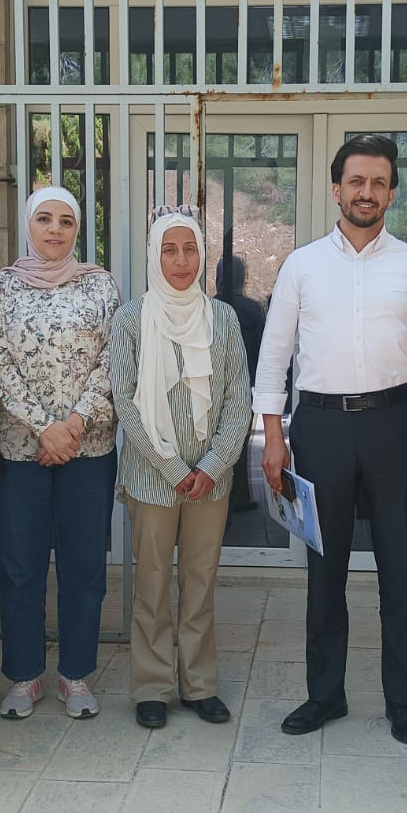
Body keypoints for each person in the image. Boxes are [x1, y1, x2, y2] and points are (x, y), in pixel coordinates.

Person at [254, 134, 407, 747]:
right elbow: (274, 356)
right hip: (321, 428)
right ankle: (325, 694)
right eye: (356, 181)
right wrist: (274, 437)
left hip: (398, 424)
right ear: (336, 188)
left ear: (391, 193)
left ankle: (401, 700)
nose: (367, 192)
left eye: (379, 182)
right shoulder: (302, 265)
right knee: (324, 570)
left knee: (400, 569)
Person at [0, 186, 121, 720]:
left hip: (88, 447)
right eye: (44, 218)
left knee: (84, 565)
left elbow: (112, 360)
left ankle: (75, 674)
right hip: (20, 451)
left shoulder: (100, 285)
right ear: (28, 225)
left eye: (66, 220)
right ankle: (24, 676)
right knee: (21, 566)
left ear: (78, 228)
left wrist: (74, 425)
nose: (55, 229)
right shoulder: (1, 287)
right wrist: (45, 429)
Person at [110, 208, 252, 729]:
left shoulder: (223, 318)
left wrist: (212, 465)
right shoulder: (131, 319)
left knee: (200, 582)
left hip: (210, 482)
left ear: (202, 255)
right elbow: (126, 401)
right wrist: (174, 470)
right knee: (150, 585)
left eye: (190, 249)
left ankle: (199, 685)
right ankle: (152, 687)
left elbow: (238, 399)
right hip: (152, 479)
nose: (181, 260)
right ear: (154, 255)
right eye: (169, 250)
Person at [216, 252, 266, 512]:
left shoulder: (210, 307)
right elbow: (262, 351)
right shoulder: (252, 310)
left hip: (214, 386)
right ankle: (239, 497)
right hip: (245, 385)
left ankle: (219, 499)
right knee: (240, 445)